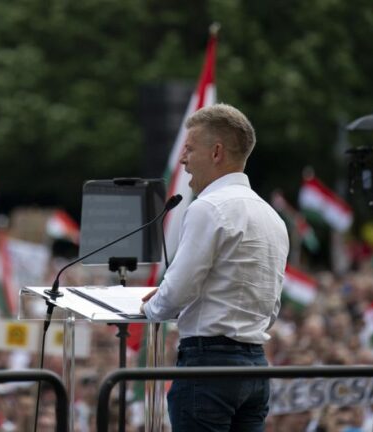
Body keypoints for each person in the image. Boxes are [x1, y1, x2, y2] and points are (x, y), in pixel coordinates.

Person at [141, 103, 289, 431]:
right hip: (255, 366)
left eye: (189, 149)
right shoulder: (273, 217)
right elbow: (272, 308)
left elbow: (177, 291)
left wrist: (148, 308)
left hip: (208, 367)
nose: (183, 159)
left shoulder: (207, 208)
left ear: (217, 152)